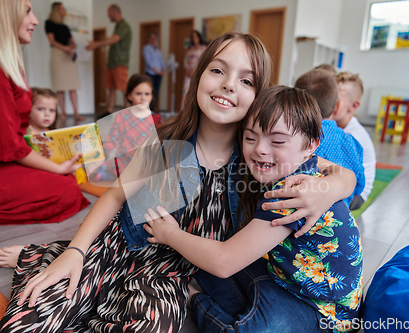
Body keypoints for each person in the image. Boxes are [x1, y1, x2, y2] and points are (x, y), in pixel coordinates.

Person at [0, 32, 356, 333]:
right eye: (218, 70)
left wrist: (327, 190)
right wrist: (75, 252)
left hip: (172, 270)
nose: (229, 85)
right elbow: (116, 195)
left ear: (257, 97)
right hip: (119, 249)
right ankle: (47, 255)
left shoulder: (262, 159)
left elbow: (342, 175)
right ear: (198, 76)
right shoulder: (168, 140)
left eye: (246, 80)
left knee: (151, 325)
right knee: (38, 310)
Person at [144, 86, 363, 332]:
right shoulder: (297, 161)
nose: (260, 149)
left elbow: (224, 261)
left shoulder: (291, 193)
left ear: (311, 145)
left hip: (322, 309)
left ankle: (194, 298)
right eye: (250, 138)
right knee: (206, 262)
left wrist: (170, 235)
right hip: (282, 277)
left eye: (277, 141)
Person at [0, 0, 89, 227]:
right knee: (65, 189)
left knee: (67, 178)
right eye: (27, 11)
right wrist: (57, 167)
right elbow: (10, 146)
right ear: (4, 16)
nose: (35, 20)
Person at [295, 69, 365, 207]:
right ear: (336, 106)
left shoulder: (296, 138)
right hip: (339, 217)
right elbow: (359, 186)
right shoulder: (352, 143)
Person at [92, 73, 163, 181]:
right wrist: (100, 159)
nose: (143, 98)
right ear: (129, 95)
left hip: (146, 166)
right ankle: (106, 170)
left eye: (147, 94)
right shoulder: (122, 116)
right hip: (124, 164)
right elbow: (111, 140)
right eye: (138, 94)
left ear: (152, 96)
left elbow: (162, 144)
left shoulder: (156, 119)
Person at [334, 72, 376, 210]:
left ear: (353, 106)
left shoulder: (353, 135)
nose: (331, 101)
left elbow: (344, 176)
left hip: (357, 194)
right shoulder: (337, 126)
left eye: (336, 99)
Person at [87, 4, 131, 118]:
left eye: (109, 13)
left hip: (120, 63)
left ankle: (128, 112)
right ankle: (109, 111)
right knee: (111, 88)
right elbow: (112, 39)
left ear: (115, 12)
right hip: (112, 63)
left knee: (124, 89)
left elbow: (114, 39)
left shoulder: (124, 26)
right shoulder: (117, 26)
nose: (108, 16)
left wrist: (96, 44)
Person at [45, 2, 85, 123]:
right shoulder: (49, 23)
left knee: (72, 86)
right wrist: (64, 48)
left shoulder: (65, 27)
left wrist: (70, 48)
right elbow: (52, 41)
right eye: (62, 9)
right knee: (60, 87)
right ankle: (63, 113)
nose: (65, 11)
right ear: (57, 10)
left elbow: (73, 43)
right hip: (58, 55)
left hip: (68, 55)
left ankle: (76, 113)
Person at [182, 30, 207, 107]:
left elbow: (204, 61)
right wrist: (187, 70)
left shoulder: (203, 49)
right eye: (193, 37)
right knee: (186, 93)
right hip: (188, 75)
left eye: (196, 36)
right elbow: (185, 61)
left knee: (196, 92)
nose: (194, 38)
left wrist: (194, 70)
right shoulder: (190, 49)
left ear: (199, 37)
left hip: (198, 73)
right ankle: (184, 113)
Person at [143, 32, 165, 112]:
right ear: (149, 39)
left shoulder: (158, 50)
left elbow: (161, 61)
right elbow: (149, 62)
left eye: (154, 38)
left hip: (158, 75)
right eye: (151, 38)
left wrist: (163, 69)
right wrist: (158, 72)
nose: (153, 40)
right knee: (149, 92)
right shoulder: (146, 48)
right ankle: (146, 110)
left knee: (156, 92)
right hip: (150, 74)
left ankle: (152, 109)